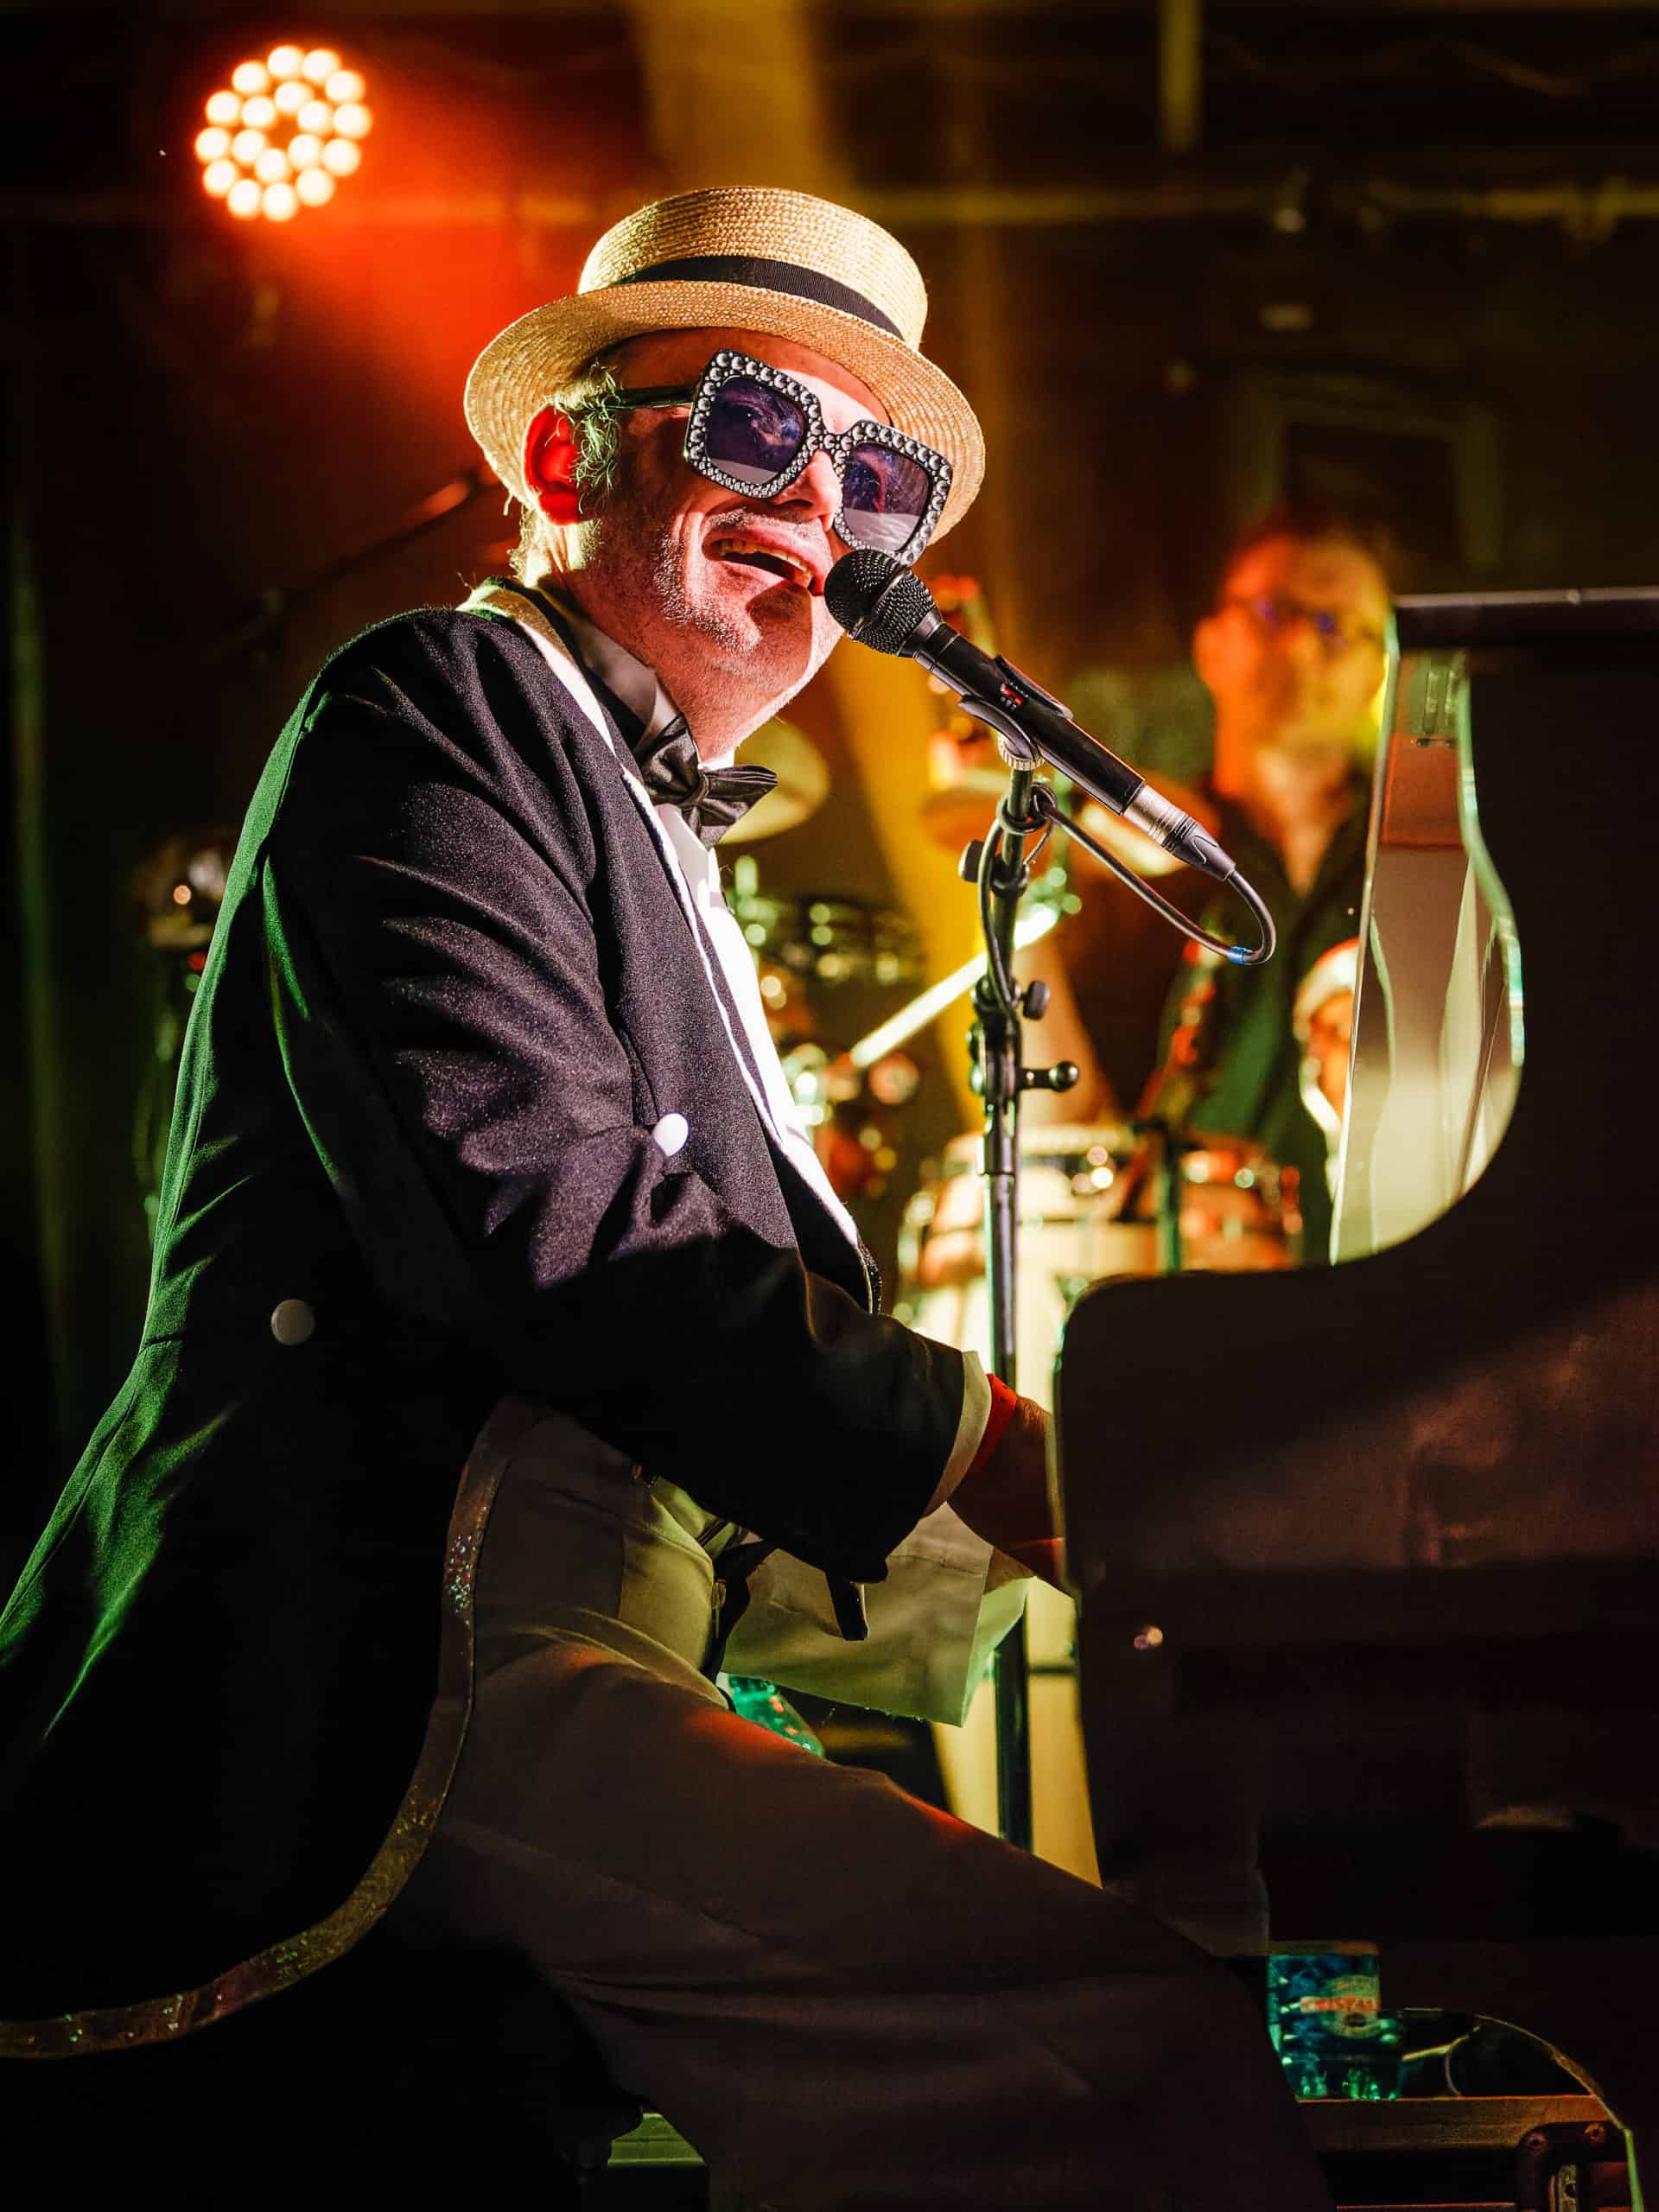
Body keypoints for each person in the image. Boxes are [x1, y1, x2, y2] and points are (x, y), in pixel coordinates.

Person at [0, 188, 1329, 2208]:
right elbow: (547, 1222)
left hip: (552, 1642)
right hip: (410, 1657)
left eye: (874, 477)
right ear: (562, 463)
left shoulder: (633, 800)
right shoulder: (437, 701)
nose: (819, 505)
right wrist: (1012, 1458)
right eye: (752, 425)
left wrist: (1178, 1542)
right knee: (1120, 2050)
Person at [1030, 507, 1393, 1264]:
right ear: (1210, 646)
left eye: (1336, 626)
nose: (1301, 646)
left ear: (1377, 670)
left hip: (1382, 1276)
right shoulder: (1114, 864)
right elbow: (1055, 1121)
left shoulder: (1416, 865)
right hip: (1171, 1282)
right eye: (1273, 613)